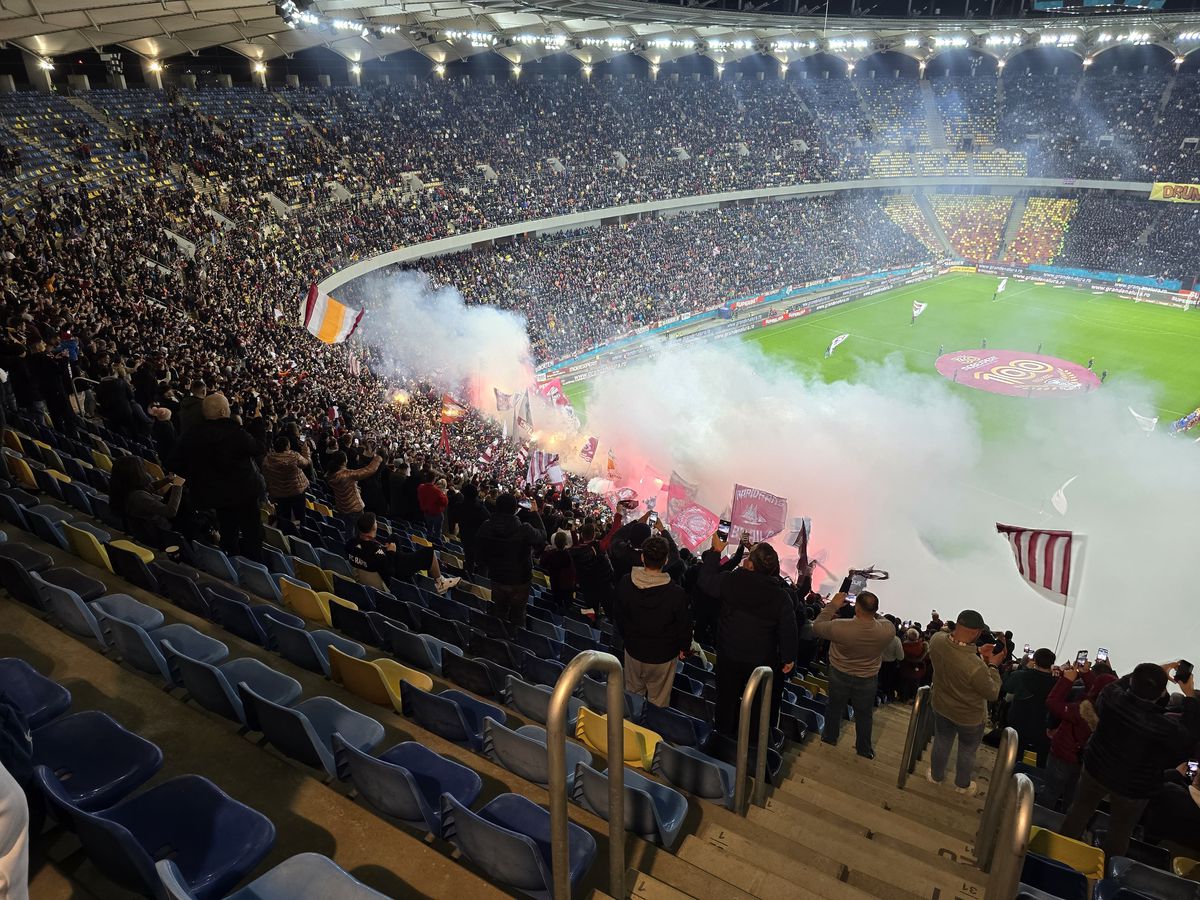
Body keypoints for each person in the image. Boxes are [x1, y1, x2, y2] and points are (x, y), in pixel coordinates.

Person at [1059, 662, 1200, 859]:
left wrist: (1150, 672)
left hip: (1096, 770)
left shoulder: (1111, 698)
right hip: (1134, 788)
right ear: (1161, 694)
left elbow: (1115, 685)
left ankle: (1057, 854)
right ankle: (1105, 875)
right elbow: (1187, 737)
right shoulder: (1165, 727)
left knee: (1078, 813)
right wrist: (1190, 696)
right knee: (1120, 833)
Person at [700, 535, 797, 737]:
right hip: (760, 662)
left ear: (749, 564)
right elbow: (788, 629)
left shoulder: (733, 580)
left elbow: (705, 581)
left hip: (728, 654)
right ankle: (751, 746)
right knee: (756, 706)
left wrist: (716, 552)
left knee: (726, 700)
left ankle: (723, 740)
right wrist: (788, 657)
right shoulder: (781, 596)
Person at [172, 393, 264, 561]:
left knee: (228, 532)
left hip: (215, 496)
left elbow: (178, 465)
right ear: (223, 411)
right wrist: (258, 422)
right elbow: (259, 448)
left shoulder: (191, 435)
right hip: (243, 494)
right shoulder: (235, 433)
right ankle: (256, 567)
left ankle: (232, 564)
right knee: (253, 533)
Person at [926, 610, 1006, 795]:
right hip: (969, 717)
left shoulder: (937, 640)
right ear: (977, 632)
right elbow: (992, 692)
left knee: (941, 741)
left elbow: (954, 650)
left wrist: (977, 650)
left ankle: (936, 777)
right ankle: (962, 785)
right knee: (967, 750)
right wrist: (993, 665)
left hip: (941, 705)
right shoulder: (975, 666)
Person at [811, 588, 897, 758]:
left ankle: (829, 738)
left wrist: (833, 605)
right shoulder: (888, 630)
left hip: (839, 672)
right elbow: (882, 619)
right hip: (867, 678)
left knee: (834, 707)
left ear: (856, 608)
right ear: (875, 610)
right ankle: (864, 749)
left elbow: (817, 626)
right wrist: (872, 614)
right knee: (864, 715)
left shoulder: (840, 626)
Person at [612, 534, 692, 708]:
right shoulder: (676, 594)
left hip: (633, 650)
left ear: (642, 557)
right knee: (658, 702)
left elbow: (618, 616)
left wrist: (628, 638)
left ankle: (631, 731)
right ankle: (651, 733)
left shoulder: (626, 582)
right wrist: (684, 648)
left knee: (632, 696)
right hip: (662, 657)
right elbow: (684, 627)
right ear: (666, 560)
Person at [1041, 663, 1117, 812]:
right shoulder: (1114, 716)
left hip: (1061, 756)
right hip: (1085, 763)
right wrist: (1086, 674)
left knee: (1050, 792)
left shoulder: (1080, 711)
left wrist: (1067, 680)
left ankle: (1037, 821)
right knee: (1072, 799)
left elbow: (1052, 702)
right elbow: (1096, 690)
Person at [473, 493, 547, 626]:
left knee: (499, 611)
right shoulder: (525, 529)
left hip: (497, 577)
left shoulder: (486, 526)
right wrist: (535, 514)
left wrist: (491, 564)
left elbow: (479, 552)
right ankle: (514, 643)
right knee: (518, 616)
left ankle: (498, 640)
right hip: (520, 581)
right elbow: (542, 536)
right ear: (515, 509)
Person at [345, 512, 458, 593]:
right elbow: (390, 571)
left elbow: (366, 556)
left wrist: (387, 551)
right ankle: (440, 583)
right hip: (393, 571)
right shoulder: (376, 552)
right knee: (429, 553)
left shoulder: (351, 543)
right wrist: (391, 553)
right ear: (373, 527)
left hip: (380, 563)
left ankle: (404, 558)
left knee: (394, 537)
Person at [107, 455, 184, 545]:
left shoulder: (124, 488)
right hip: (160, 531)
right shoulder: (138, 497)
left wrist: (168, 480)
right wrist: (177, 487)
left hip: (146, 529)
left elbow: (148, 488)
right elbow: (171, 512)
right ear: (136, 473)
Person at [1001, 648, 1058, 767]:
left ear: (1034, 660)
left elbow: (1007, 687)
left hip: (1018, 723)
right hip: (1042, 728)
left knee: (1012, 759)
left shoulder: (1021, 675)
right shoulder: (1057, 683)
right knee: (1040, 764)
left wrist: (1024, 668)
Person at [1142, 762, 1200, 853]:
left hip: (1147, 852)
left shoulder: (1170, 791)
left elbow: (1142, 789)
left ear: (1197, 777)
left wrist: (1174, 773)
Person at [327, 449, 382, 538]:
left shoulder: (330, 474)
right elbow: (368, 470)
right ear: (343, 462)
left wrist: (355, 487)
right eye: (346, 459)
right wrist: (378, 458)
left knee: (348, 529)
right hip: (354, 508)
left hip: (341, 507)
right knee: (359, 533)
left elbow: (344, 487)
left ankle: (350, 545)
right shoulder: (346, 475)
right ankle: (356, 547)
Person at [261, 435, 311, 526]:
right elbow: (307, 463)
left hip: (279, 493)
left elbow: (266, 477)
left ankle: (287, 536)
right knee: (301, 517)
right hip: (297, 491)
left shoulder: (267, 459)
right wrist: (305, 450)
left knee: (284, 518)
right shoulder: (294, 456)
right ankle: (303, 534)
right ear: (287, 446)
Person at [539, 531, 576, 613]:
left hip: (554, 582)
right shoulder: (568, 556)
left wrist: (545, 552)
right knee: (568, 605)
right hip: (566, 585)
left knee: (557, 602)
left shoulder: (551, 554)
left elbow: (542, 563)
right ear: (566, 542)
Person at [897, 627, 929, 703]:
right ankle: (915, 699)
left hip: (906, 670)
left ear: (907, 636)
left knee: (905, 684)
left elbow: (901, 657)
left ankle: (904, 698)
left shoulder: (904, 646)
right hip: (918, 670)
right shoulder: (922, 646)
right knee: (915, 684)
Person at [417, 474, 449, 538]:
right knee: (437, 531)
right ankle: (436, 544)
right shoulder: (437, 491)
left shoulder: (420, 487)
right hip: (436, 514)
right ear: (434, 480)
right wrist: (444, 494)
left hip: (426, 512)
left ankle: (429, 541)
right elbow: (445, 502)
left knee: (429, 529)